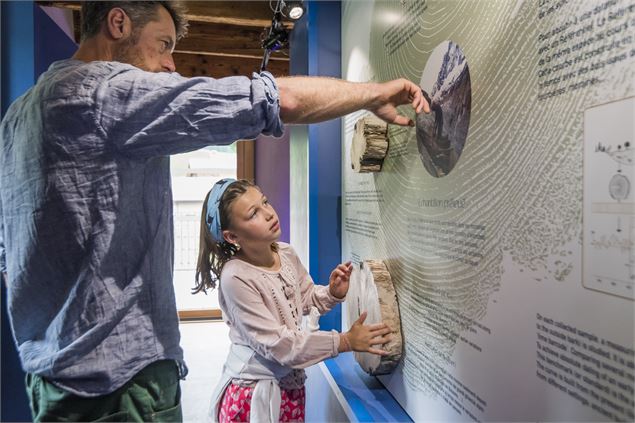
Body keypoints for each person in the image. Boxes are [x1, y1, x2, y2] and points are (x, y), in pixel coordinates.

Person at [0, 1, 429, 421]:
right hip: (118, 383)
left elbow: (10, 250)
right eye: (163, 44)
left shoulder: (17, 117)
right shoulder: (102, 93)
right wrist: (369, 94)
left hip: (52, 376)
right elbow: (268, 100)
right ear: (117, 23)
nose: (170, 64)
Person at [194, 179, 392, 422]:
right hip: (255, 395)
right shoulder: (235, 276)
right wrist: (344, 341)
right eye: (253, 213)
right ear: (232, 236)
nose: (268, 213)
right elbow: (279, 345)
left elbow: (304, 298)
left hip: (290, 387)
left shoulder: (285, 252)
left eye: (264, 202)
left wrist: (332, 293)